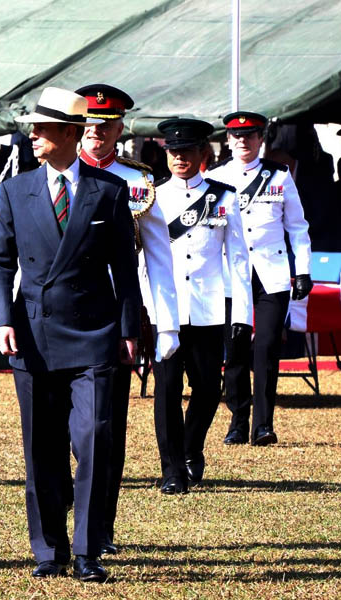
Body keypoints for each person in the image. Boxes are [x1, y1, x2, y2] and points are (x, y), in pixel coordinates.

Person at [0, 87, 141, 582]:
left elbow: (126, 268)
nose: (33, 136)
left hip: (94, 333)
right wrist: (1, 319)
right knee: (42, 448)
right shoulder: (13, 191)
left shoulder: (110, 191)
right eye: (32, 128)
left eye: (44, 128)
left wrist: (129, 329)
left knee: (94, 437)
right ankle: (49, 551)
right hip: (33, 335)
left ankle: (88, 550)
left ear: (71, 134)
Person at [75, 84, 180, 555]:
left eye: (107, 125)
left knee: (107, 428)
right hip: (54, 316)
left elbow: (158, 256)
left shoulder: (137, 181)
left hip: (116, 316)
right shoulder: (51, 171)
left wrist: (168, 324)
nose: (97, 133)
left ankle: (101, 527)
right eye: (90, 124)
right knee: (65, 428)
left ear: (121, 129)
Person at [153, 118, 252, 494]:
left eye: (187, 151)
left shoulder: (224, 198)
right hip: (167, 309)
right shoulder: (154, 198)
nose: (179, 157)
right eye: (173, 151)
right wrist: (150, 310)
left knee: (209, 389)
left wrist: (241, 314)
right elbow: (145, 262)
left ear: (202, 153)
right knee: (165, 392)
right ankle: (172, 471)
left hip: (208, 310)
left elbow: (239, 259)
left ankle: (192, 448)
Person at [209, 112, 312, 446]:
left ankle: (263, 425)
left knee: (266, 347)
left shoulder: (279, 176)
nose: (243, 141)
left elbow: (297, 227)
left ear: (260, 139)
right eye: (237, 136)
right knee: (235, 348)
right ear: (228, 139)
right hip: (231, 274)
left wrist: (304, 269)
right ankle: (238, 421)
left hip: (272, 273)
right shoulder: (215, 178)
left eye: (250, 135)